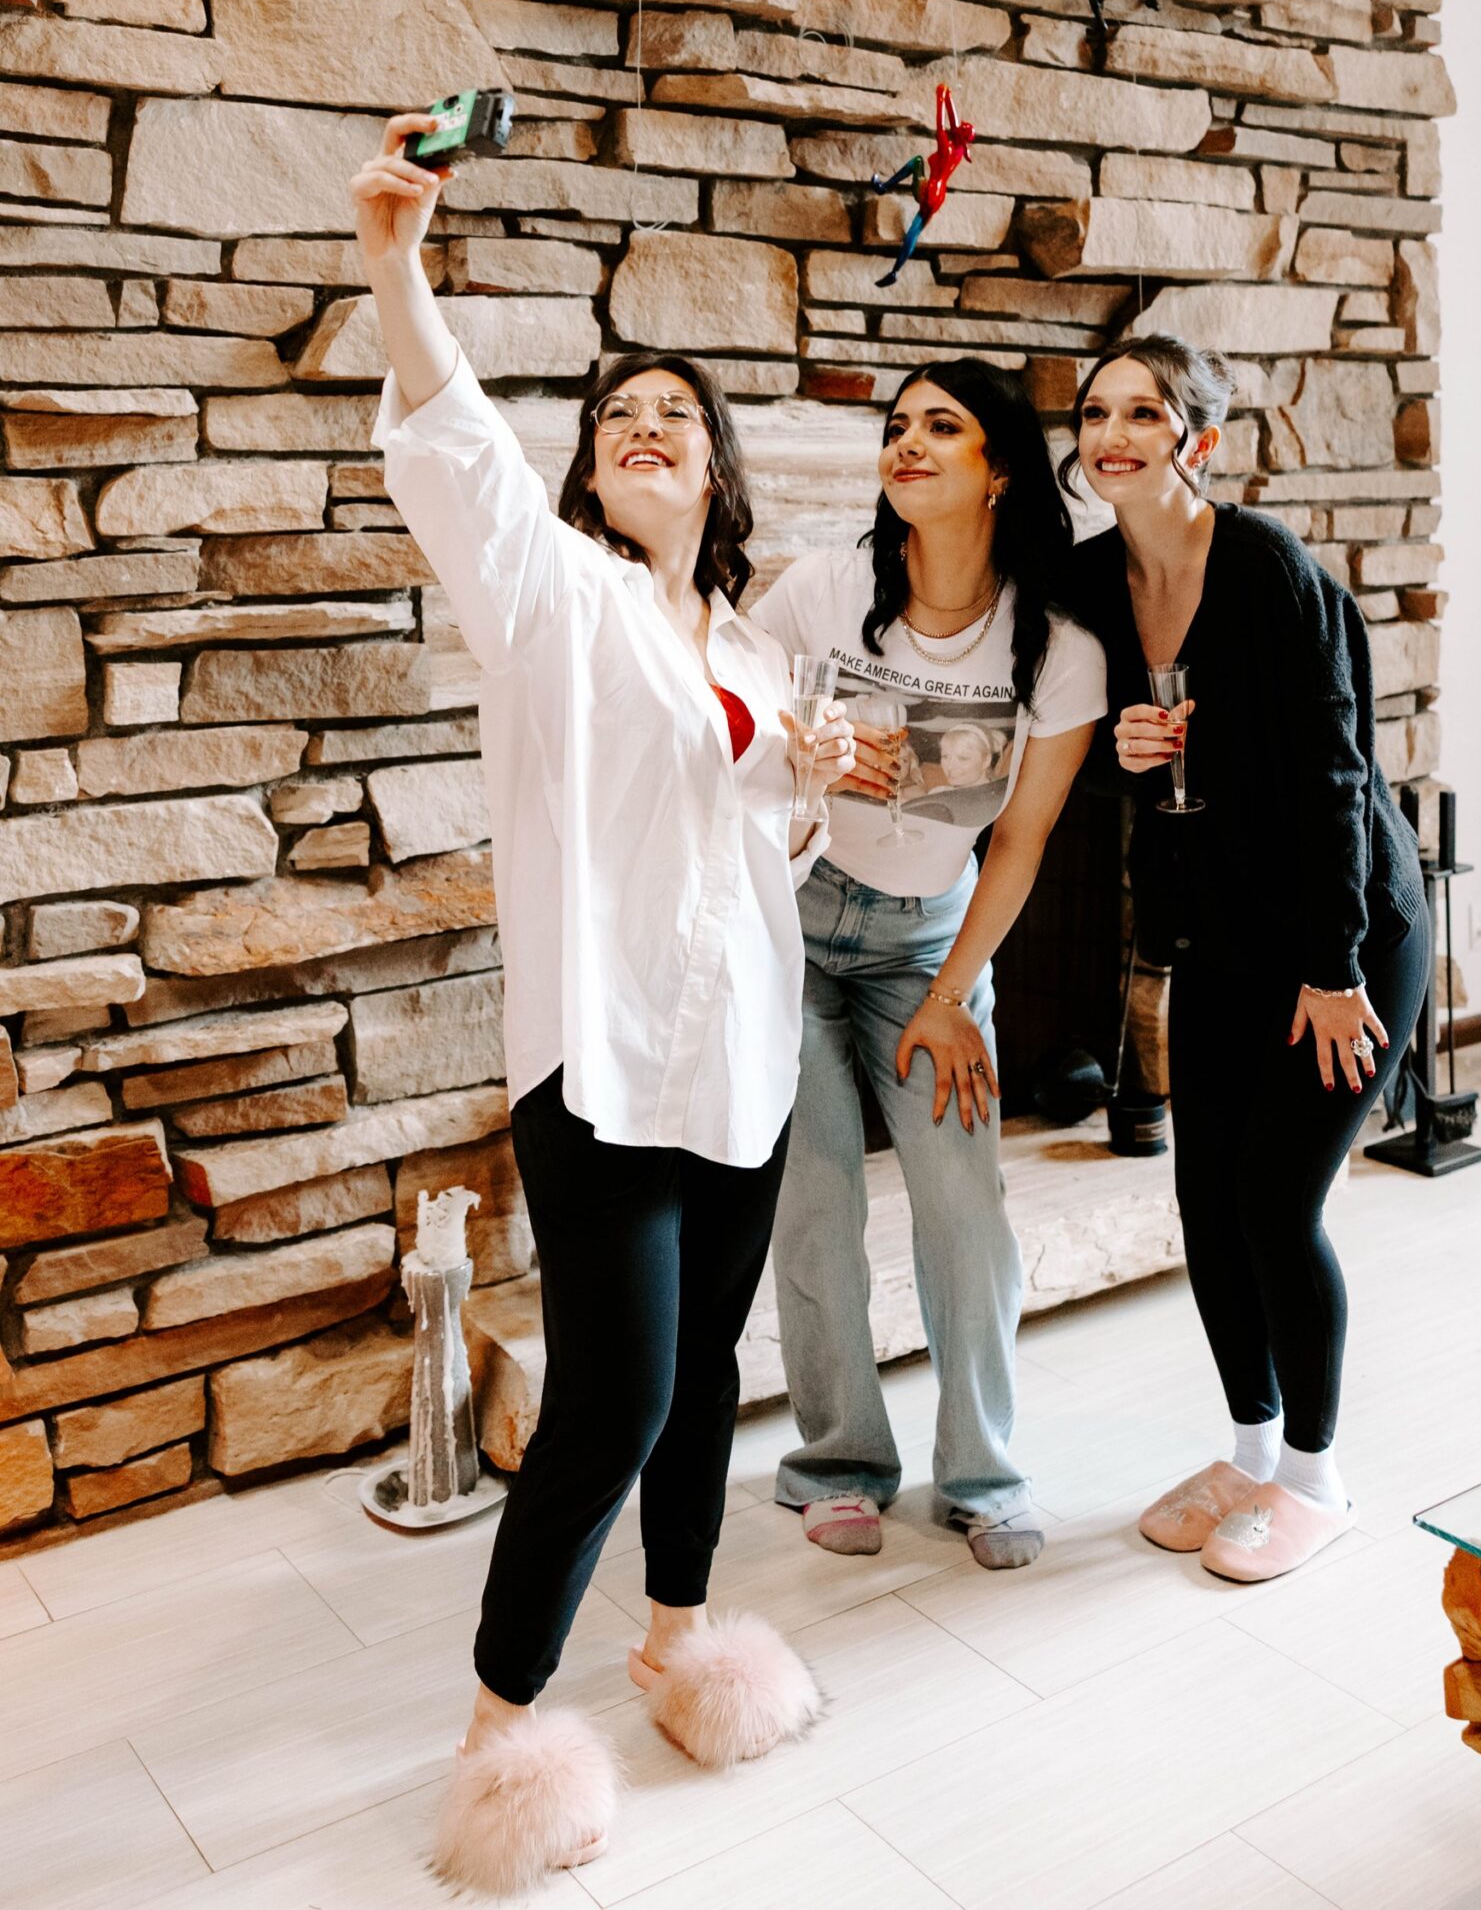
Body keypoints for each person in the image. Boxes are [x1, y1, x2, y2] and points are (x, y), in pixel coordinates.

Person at [353, 116, 854, 1898]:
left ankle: (680, 1636)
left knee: (712, 1380)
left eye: (681, 416)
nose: (646, 425)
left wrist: (810, 779)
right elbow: (466, 460)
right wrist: (401, 266)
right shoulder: (553, 598)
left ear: (718, 478)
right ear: (592, 471)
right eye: (616, 413)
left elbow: (757, 874)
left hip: (742, 1068)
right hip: (603, 1068)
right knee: (613, 1401)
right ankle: (503, 1729)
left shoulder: (755, 652)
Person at [1064, 338, 1429, 1582]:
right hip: (1218, 930)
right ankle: (1250, 1449)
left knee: (1277, 1201)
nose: (1114, 430)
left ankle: (1319, 1479)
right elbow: (1114, 744)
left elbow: (1336, 774)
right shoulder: (1097, 582)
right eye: (1096, 410)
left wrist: (1332, 968)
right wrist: (1125, 741)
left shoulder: (1264, 568)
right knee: (1205, 1204)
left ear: (1196, 441)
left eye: (1144, 410)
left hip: (1341, 930)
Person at [756, 360, 1107, 1569]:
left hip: (928, 945)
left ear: (998, 468)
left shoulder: (1058, 647)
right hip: (791, 930)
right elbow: (728, 738)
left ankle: (983, 1473)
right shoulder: (820, 589)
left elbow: (1019, 843)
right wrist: (802, 756)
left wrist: (953, 997)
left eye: (940, 428)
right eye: (896, 426)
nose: (906, 444)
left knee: (965, 1205)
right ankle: (838, 1460)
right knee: (814, 1203)